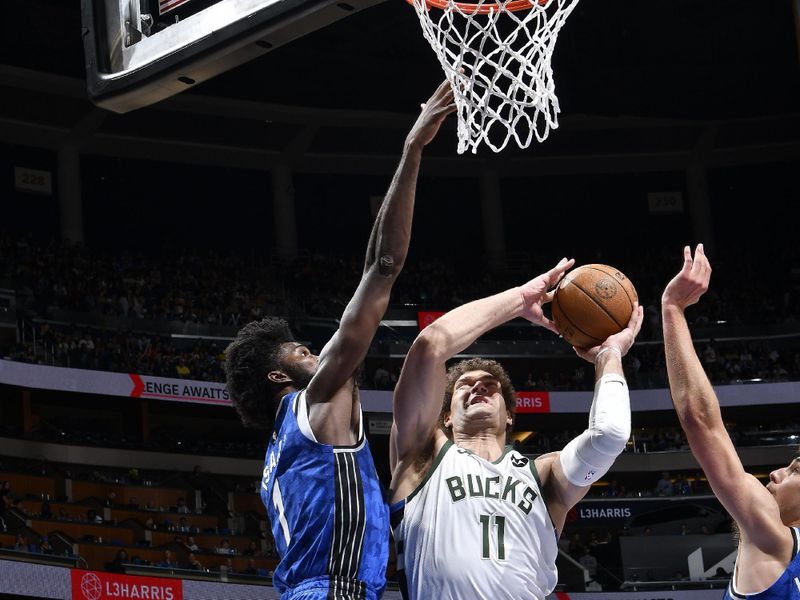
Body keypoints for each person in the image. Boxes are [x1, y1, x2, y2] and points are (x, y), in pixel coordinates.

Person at [224, 80, 457, 600]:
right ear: (278, 376)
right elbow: (383, 266)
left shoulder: (277, 455)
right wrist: (412, 149)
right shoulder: (317, 399)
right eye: (299, 351)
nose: (313, 350)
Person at [389, 259, 643, 599]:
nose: (478, 387)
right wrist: (520, 300)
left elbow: (609, 435)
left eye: (490, 385)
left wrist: (609, 355)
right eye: (465, 386)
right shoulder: (421, 455)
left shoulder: (544, 476)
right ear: (444, 416)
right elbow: (430, 346)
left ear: (510, 414)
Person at [661, 244, 800, 599]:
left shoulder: (774, 538)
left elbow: (701, 420)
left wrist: (673, 309)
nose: (775, 473)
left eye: (795, 470)